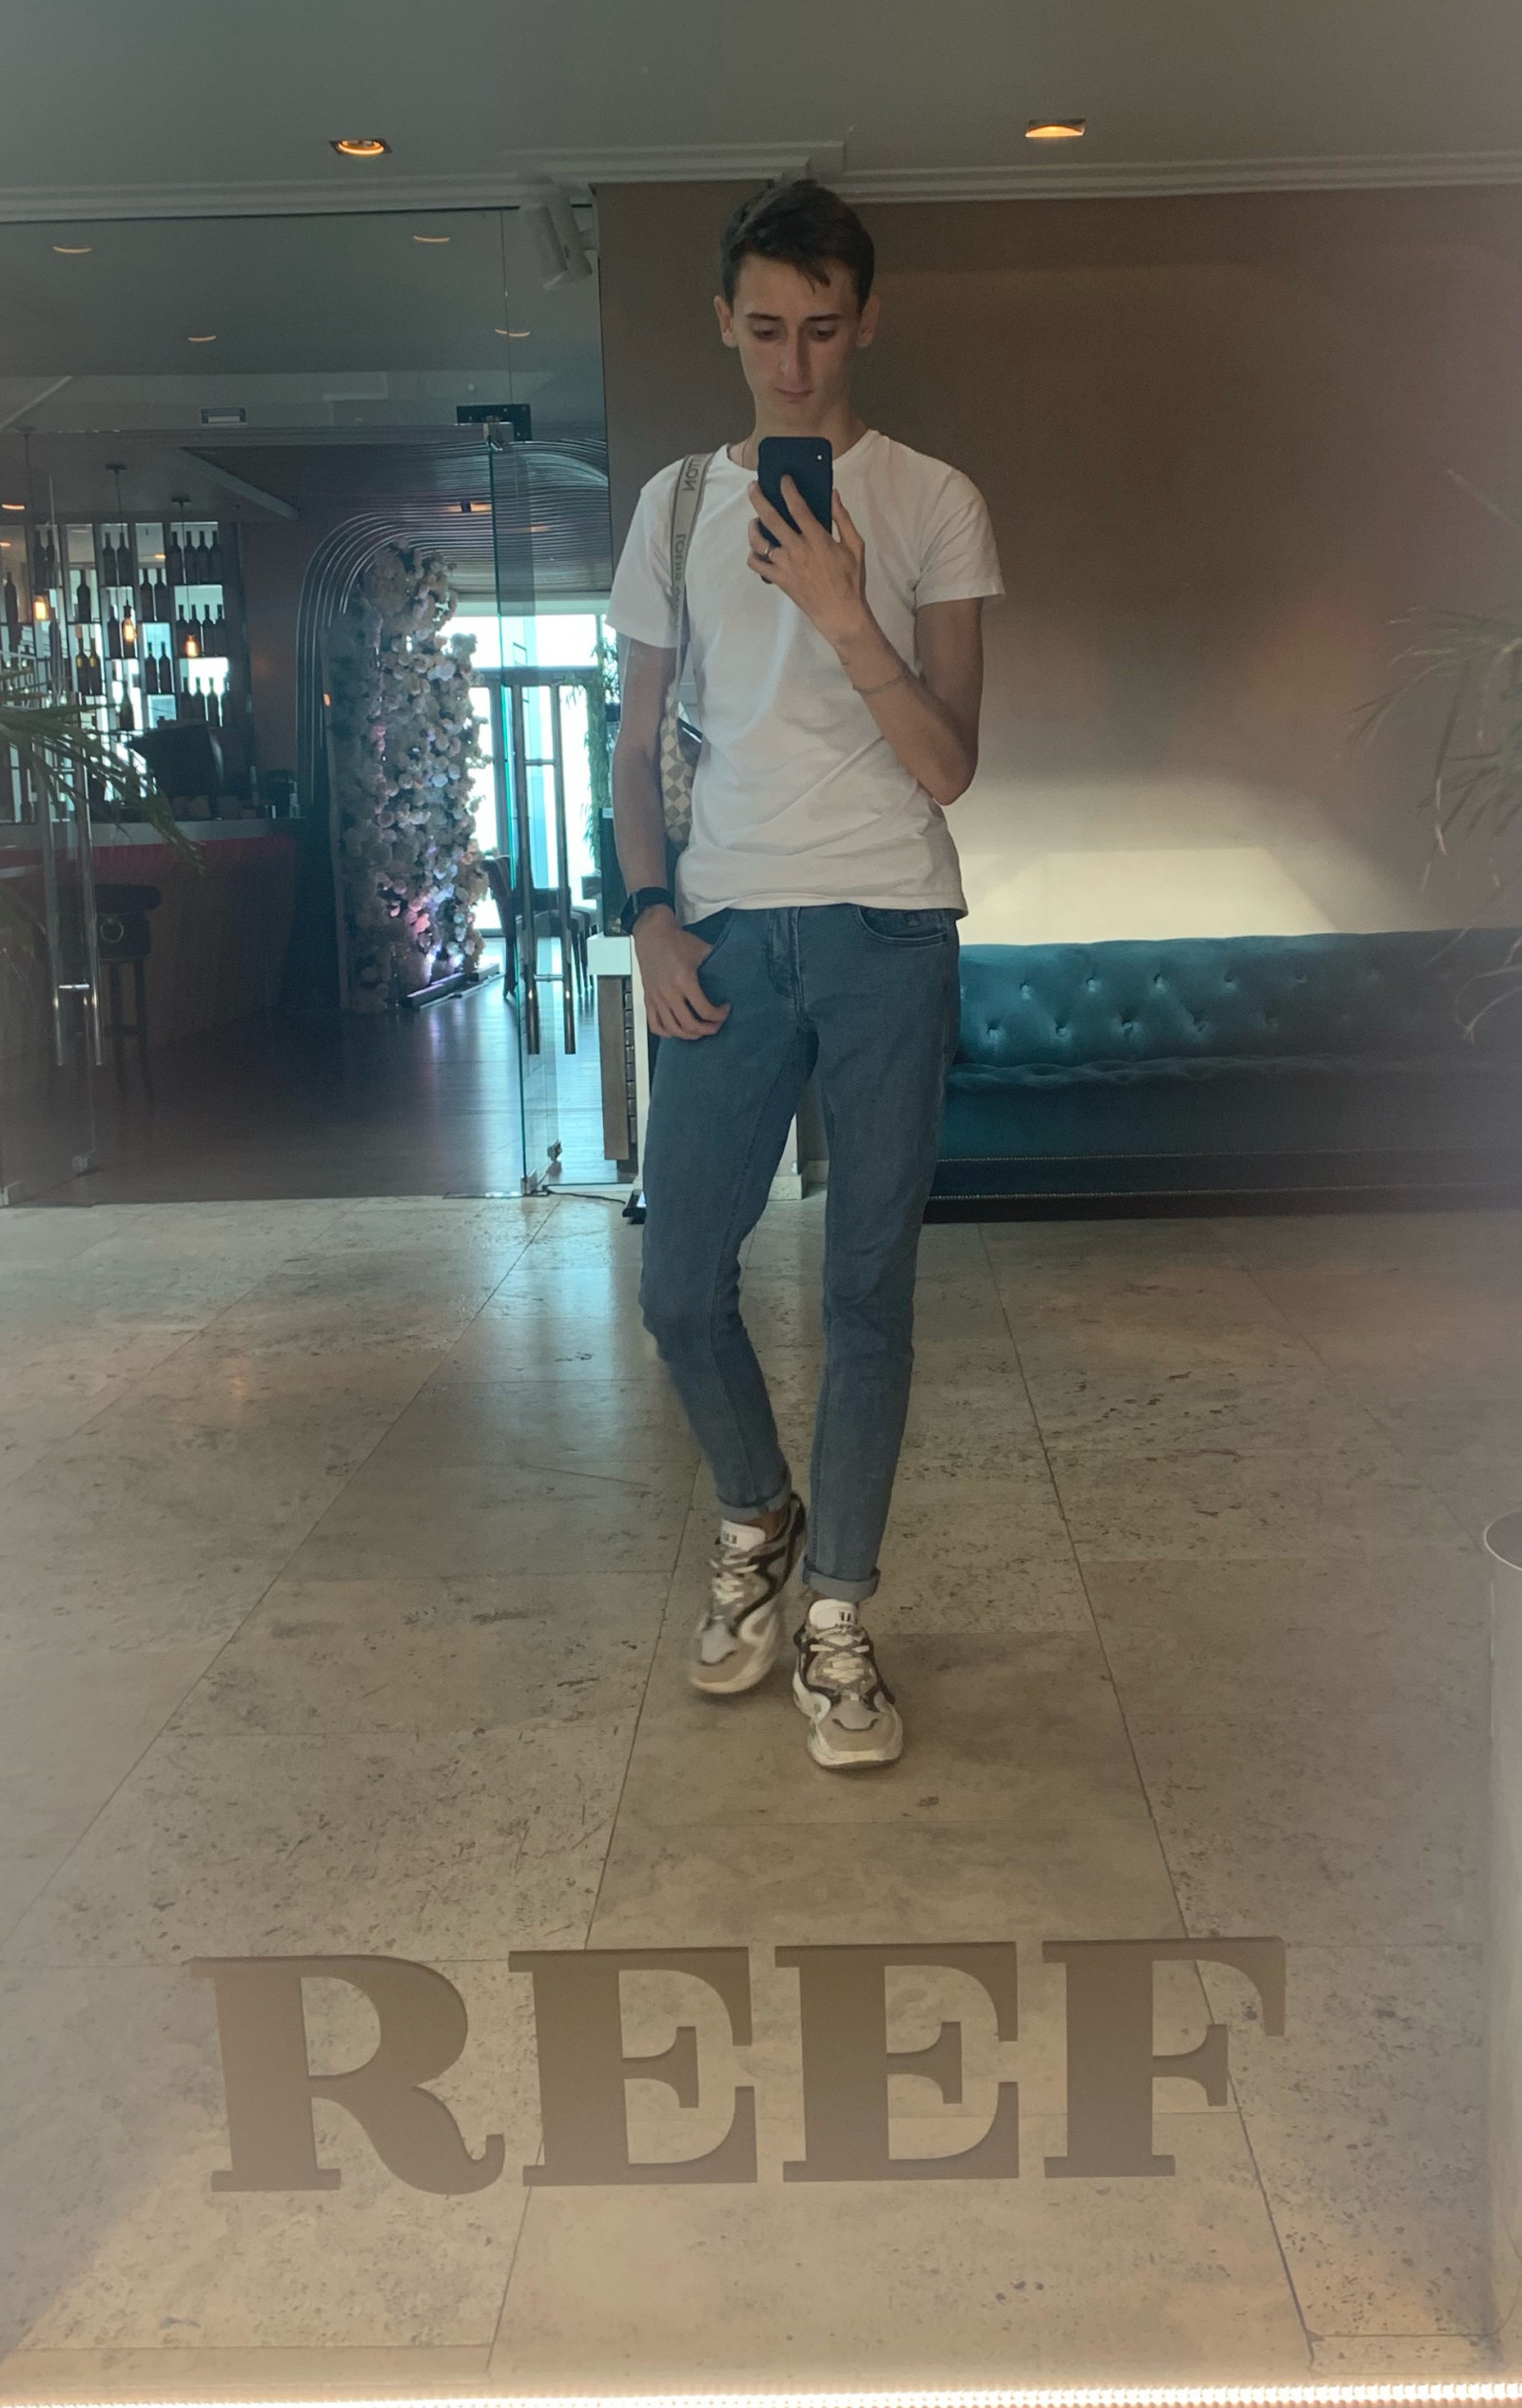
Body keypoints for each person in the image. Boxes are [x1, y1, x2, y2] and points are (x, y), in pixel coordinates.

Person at [606, 179, 1002, 1770]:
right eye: (764, 328)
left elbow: (950, 766)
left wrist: (845, 610)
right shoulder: (673, 509)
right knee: (678, 1284)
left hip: (888, 931)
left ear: (866, 321)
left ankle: (836, 1612)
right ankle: (757, 1512)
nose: (792, 362)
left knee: (863, 1292)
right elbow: (636, 742)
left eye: (822, 328)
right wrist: (648, 914)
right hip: (721, 936)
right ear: (724, 321)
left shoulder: (934, 500)